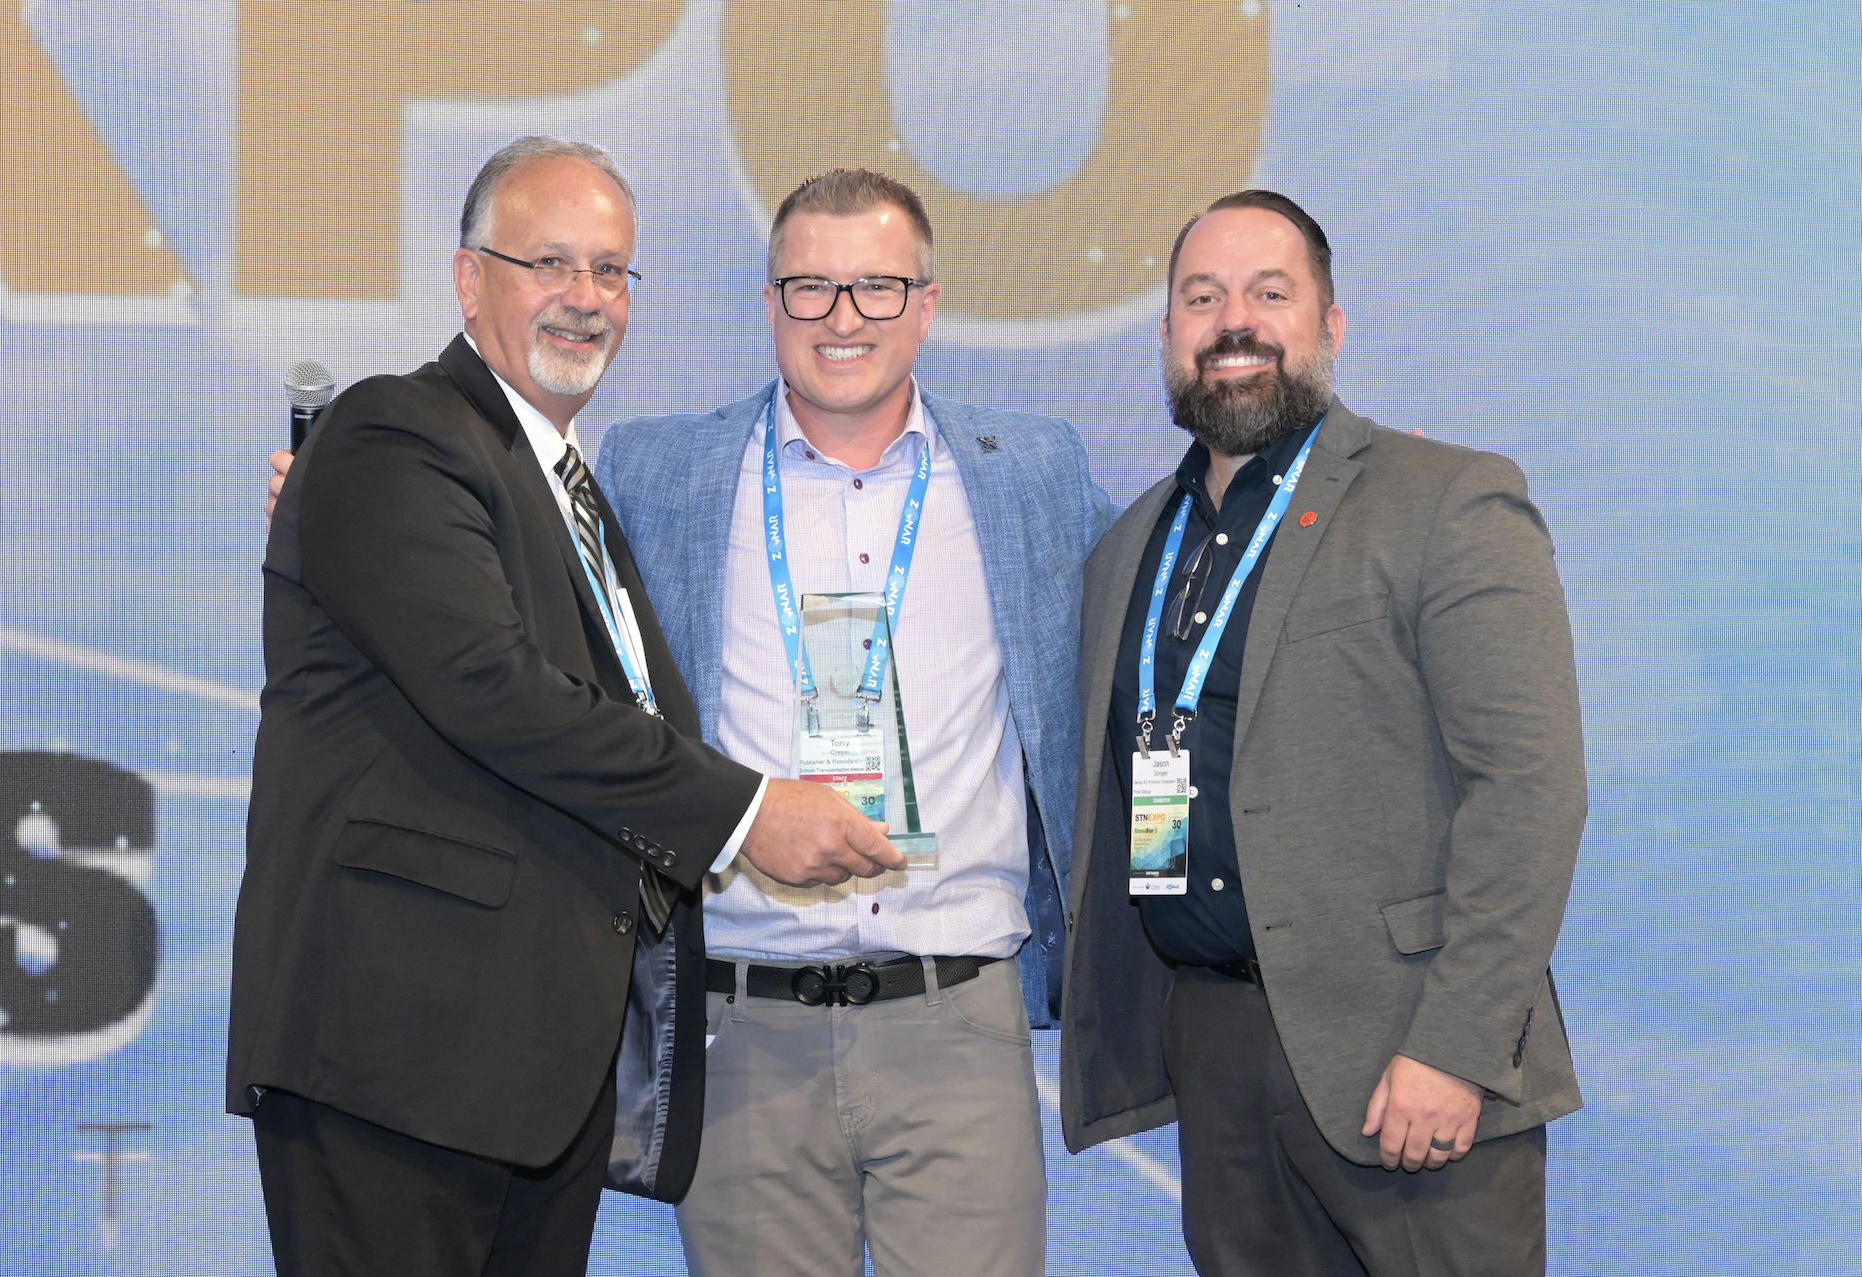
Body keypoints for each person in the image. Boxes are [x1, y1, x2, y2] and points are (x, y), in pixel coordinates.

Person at [231, 136, 902, 1277]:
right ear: (468, 278)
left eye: (610, 271)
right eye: (550, 262)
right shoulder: (396, 432)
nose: (585, 300)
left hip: (531, 1076)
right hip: (397, 1056)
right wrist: (746, 813)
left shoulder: (570, 487)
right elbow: (491, 688)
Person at [1058, 190, 1586, 1276]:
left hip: (1409, 1058)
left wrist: (1455, 1044)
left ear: (1331, 326)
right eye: (1201, 297)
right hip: (1215, 1055)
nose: (1233, 321)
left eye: (1269, 292)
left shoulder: (1445, 498)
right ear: (1167, 335)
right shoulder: (1127, 552)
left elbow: (1530, 787)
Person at [596, 168, 1111, 1277]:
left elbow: (1158, 589)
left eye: (876, 288)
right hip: (737, 1027)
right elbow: (529, 610)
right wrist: (355, 506)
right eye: (810, 288)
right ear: (769, 303)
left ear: (928, 303)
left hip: (960, 1018)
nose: (842, 319)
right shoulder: (657, 470)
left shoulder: (1034, 470)